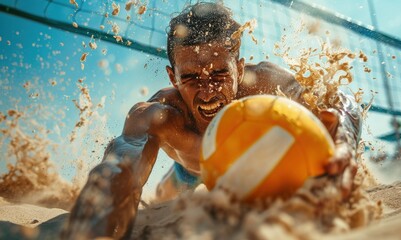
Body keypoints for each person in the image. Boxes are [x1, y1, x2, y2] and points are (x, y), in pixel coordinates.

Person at [62, 3, 361, 239]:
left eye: (220, 74)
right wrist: (96, 229)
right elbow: (122, 163)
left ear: (240, 69)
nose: (207, 91)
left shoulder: (266, 83)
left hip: (256, 161)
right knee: (163, 197)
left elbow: (338, 99)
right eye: (191, 77)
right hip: (189, 170)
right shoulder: (161, 114)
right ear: (173, 77)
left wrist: (344, 140)